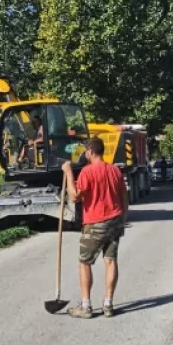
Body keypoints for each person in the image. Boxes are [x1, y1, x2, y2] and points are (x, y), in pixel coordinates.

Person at [61, 137, 128, 319]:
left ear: (90, 151)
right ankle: (108, 304)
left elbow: (75, 197)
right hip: (115, 221)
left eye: (85, 151)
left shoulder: (87, 172)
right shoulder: (115, 171)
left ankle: (86, 306)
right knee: (110, 260)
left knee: (84, 263)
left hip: (95, 223)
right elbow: (124, 197)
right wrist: (123, 218)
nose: (84, 154)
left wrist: (68, 173)